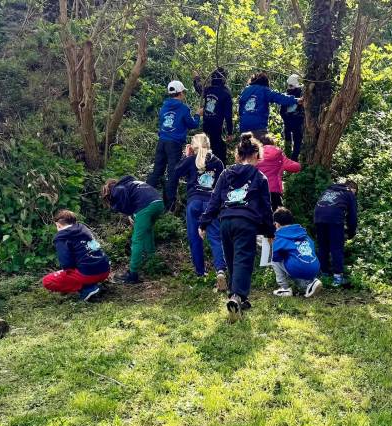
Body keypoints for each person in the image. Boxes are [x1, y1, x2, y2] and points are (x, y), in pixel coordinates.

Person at [198, 134, 274, 322]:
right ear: (256, 154)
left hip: (226, 221)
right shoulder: (259, 177)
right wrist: (269, 231)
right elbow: (266, 207)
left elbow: (214, 200)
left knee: (232, 260)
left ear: (239, 154)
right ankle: (237, 296)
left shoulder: (226, 173)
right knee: (243, 260)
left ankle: (240, 298)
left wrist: (204, 223)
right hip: (246, 222)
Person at [168, 133, 228, 291]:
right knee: (216, 238)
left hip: (194, 202)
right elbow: (222, 185)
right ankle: (220, 271)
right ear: (208, 144)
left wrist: (185, 156)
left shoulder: (190, 160)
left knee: (195, 239)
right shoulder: (218, 162)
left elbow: (175, 172)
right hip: (211, 204)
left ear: (193, 146)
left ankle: (200, 273)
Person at [148, 80, 203, 210]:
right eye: (183, 92)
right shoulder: (183, 109)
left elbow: (162, 123)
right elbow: (193, 125)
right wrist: (197, 114)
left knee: (157, 171)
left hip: (162, 142)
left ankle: (145, 197)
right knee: (172, 174)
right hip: (174, 145)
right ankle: (169, 206)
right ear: (181, 93)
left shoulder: (163, 107)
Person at [102, 176, 165, 284]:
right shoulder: (131, 183)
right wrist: (132, 214)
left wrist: (131, 213)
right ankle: (152, 261)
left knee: (137, 240)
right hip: (158, 203)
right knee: (148, 232)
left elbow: (124, 204)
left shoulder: (117, 189)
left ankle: (133, 274)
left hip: (145, 207)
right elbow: (132, 201)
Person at [42, 210, 110, 301]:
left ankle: (87, 289)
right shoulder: (83, 228)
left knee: (47, 281)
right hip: (105, 269)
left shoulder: (61, 237)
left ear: (58, 225)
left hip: (88, 274)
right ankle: (91, 284)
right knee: (82, 266)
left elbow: (66, 264)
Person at [314, 180, 358, 287]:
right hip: (334, 218)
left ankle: (324, 274)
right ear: (353, 189)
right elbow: (352, 217)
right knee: (336, 247)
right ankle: (338, 278)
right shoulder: (349, 193)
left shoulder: (329, 190)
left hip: (318, 217)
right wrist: (351, 232)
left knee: (323, 246)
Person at [271, 207, 323, 298]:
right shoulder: (302, 233)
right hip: (314, 267)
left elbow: (276, 257)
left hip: (298, 268)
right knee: (295, 260)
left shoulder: (280, 237)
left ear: (277, 224)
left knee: (274, 260)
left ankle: (284, 288)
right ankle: (310, 284)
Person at [238, 72, 301, 139]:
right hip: (258, 126)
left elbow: (240, 109)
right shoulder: (264, 90)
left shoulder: (245, 91)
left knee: (246, 148)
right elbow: (279, 97)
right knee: (261, 148)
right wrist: (296, 100)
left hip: (244, 126)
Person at [193, 68, 234, 165]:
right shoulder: (225, 93)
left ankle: (206, 167)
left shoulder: (209, 89)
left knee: (207, 146)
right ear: (224, 78)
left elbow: (199, 88)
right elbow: (228, 115)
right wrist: (230, 132)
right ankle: (218, 170)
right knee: (218, 150)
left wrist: (196, 78)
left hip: (207, 123)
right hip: (217, 125)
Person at [256, 134, 301, 211]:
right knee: (278, 217)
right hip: (275, 191)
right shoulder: (278, 155)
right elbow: (295, 167)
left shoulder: (255, 155)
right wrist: (301, 164)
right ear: (272, 143)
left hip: (258, 191)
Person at [279, 74, 304, 160]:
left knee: (293, 140)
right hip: (294, 121)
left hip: (292, 121)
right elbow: (282, 111)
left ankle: (290, 159)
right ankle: (292, 159)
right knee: (296, 140)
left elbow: (281, 111)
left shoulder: (297, 94)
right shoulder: (299, 94)